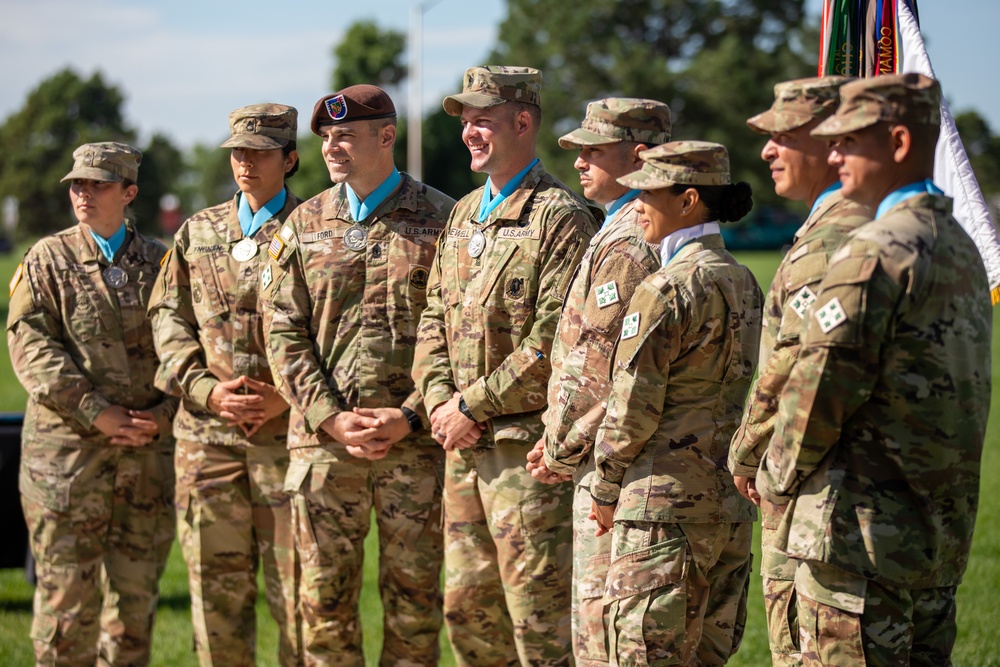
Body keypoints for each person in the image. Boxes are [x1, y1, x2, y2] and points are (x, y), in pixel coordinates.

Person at [757, 73, 992, 666]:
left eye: (848, 141)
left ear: (899, 143)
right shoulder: (959, 244)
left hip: (859, 549)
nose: (832, 153)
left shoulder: (876, 249)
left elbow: (817, 393)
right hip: (934, 542)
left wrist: (772, 478)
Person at [260, 85, 455, 666]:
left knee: (417, 609)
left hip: (416, 449)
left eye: (345, 135)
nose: (331, 147)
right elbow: (282, 331)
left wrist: (411, 414)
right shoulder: (302, 224)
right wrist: (330, 416)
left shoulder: (444, 220)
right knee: (321, 609)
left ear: (387, 137)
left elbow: (461, 335)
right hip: (324, 450)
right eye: (325, 138)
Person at [412, 65, 599, 664]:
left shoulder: (561, 217)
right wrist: (442, 400)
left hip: (526, 461)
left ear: (523, 122)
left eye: (482, 120)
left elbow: (556, 344)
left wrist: (470, 404)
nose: (468, 131)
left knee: (540, 624)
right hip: (461, 451)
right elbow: (431, 320)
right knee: (469, 616)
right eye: (465, 120)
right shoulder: (463, 214)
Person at [589, 141, 762, 665]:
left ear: (688, 201)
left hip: (661, 512)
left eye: (648, 192)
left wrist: (603, 485)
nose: (636, 202)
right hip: (727, 511)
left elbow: (632, 407)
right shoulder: (744, 280)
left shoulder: (665, 288)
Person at [8, 142, 176, 666]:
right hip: (67, 465)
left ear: (129, 193)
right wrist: (94, 411)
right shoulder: (46, 259)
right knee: (66, 612)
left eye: (98, 184)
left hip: (146, 462)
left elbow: (189, 348)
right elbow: (31, 346)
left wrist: (164, 415)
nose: (83, 193)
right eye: (77, 184)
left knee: (134, 612)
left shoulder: (162, 263)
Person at [147, 104, 303, 667]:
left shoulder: (315, 229)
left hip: (288, 443)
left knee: (300, 598)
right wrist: (204, 389)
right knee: (215, 599)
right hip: (206, 444)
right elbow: (167, 318)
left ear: (289, 159)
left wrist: (286, 399)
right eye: (238, 151)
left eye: (260, 152)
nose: (245, 162)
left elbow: (341, 333)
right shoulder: (199, 231)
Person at [728, 76, 870, 666]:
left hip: (818, 496)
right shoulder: (852, 224)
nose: (767, 151)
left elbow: (794, 365)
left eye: (783, 135)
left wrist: (744, 451)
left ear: (832, 139)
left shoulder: (830, 237)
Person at [523, 97, 668, 666]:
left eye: (595, 151)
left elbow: (600, 367)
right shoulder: (622, 226)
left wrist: (559, 447)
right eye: (578, 151)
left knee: (601, 632)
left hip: (613, 463)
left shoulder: (631, 240)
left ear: (639, 156)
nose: (580, 162)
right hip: (610, 454)